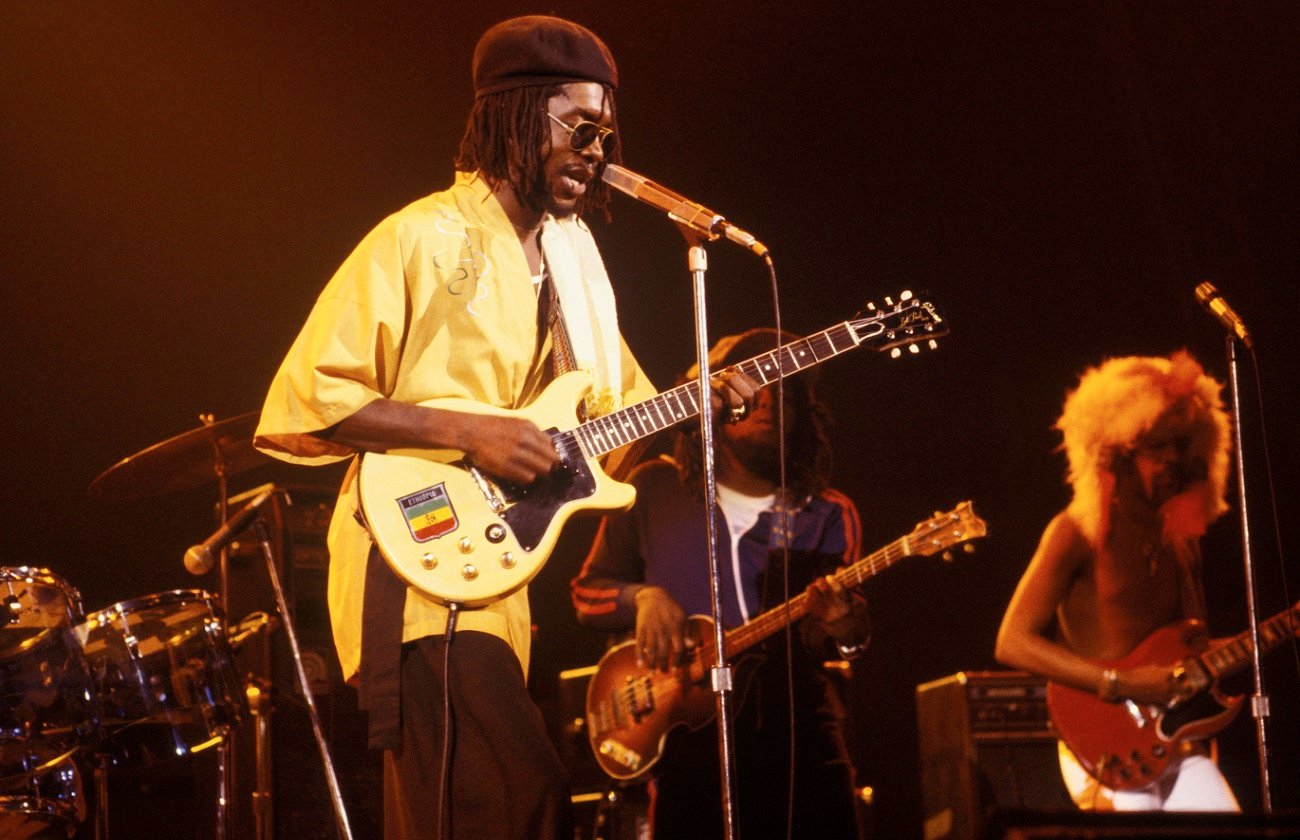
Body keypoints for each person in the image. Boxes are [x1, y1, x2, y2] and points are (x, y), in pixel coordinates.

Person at [253, 16, 756, 840]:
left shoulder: (579, 258)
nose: (596, 151)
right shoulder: (416, 237)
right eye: (579, 128)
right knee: (518, 795)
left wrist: (695, 402)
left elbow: (612, 428)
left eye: (606, 132)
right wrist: (472, 433)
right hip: (411, 560)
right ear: (516, 116)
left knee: (454, 813)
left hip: (495, 578)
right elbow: (314, 394)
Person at [571, 328, 870, 840]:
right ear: (713, 406)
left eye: (786, 388)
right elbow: (586, 593)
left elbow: (849, 636)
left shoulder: (827, 514)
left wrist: (846, 624)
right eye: (755, 384)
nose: (771, 400)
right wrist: (641, 597)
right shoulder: (651, 489)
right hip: (688, 742)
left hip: (799, 736)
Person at [995, 350, 1240, 811]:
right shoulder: (1079, 530)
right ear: (1117, 451)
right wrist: (1118, 684)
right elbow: (1012, 641)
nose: (1170, 461)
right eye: (1155, 447)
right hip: (1100, 744)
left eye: (1181, 446)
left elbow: (1191, 649)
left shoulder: (1182, 541)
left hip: (1167, 744)